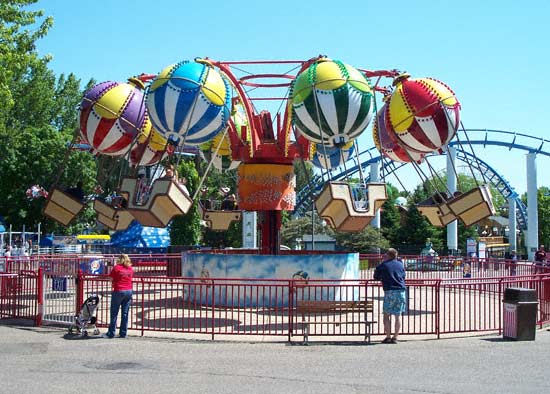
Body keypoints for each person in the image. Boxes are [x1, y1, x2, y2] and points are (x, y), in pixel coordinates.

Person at [373, 248, 406, 344]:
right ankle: (395, 337)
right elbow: (403, 276)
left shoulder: (384, 265)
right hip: (401, 291)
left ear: (388, 255)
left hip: (390, 291)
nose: (384, 255)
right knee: (398, 315)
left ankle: (388, 337)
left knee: (386, 315)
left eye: (386, 254)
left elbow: (376, 277)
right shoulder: (400, 264)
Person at [105, 254, 134, 338]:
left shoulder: (117, 268)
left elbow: (110, 278)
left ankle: (111, 332)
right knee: (125, 313)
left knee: (114, 312)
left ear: (119, 259)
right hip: (128, 291)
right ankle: (123, 332)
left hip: (118, 290)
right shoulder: (130, 268)